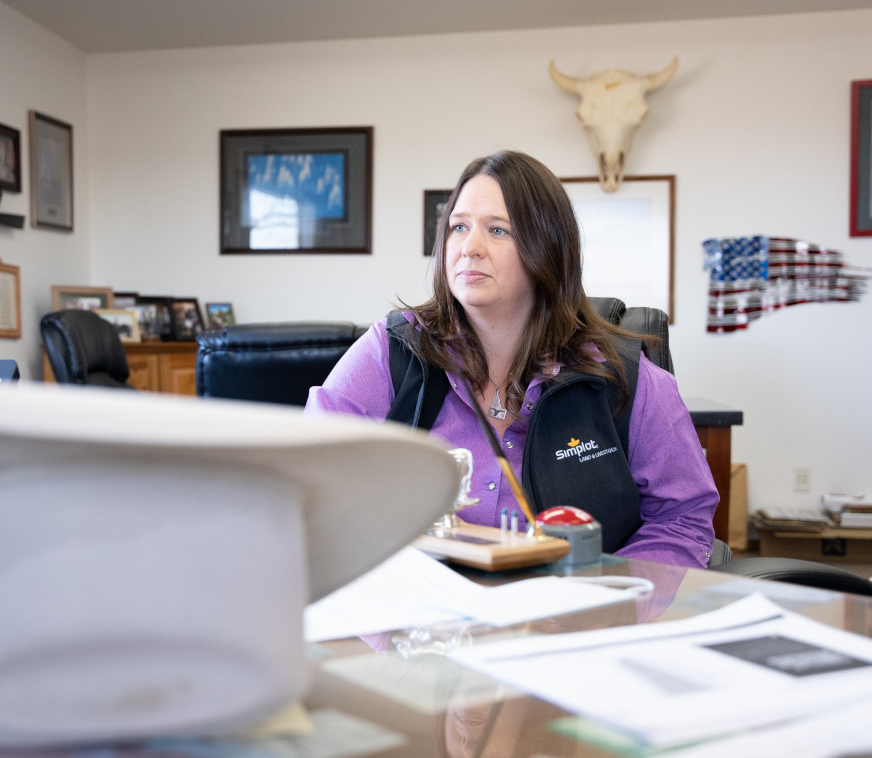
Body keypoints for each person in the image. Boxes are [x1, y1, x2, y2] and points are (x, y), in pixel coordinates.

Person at [304, 150, 717, 567]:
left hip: (574, 619)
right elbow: (307, 483)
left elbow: (682, 520)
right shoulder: (391, 351)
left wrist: (610, 602)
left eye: (498, 230)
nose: (469, 247)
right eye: (458, 227)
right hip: (422, 618)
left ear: (548, 247)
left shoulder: (628, 376)